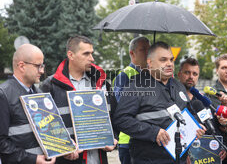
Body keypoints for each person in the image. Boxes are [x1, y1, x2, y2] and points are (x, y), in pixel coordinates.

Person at [113, 42, 206, 164]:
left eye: (171, 60)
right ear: (150, 62)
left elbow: (188, 113)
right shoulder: (136, 86)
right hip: (149, 159)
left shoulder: (178, 86)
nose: (169, 64)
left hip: (179, 158)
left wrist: (196, 126)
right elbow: (121, 120)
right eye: (163, 60)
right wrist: (153, 132)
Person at [40, 35, 117, 164]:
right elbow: (43, 124)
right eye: (86, 54)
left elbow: (115, 114)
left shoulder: (101, 83)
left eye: (92, 53)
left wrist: (113, 137)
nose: (91, 59)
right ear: (71, 55)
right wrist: (63, 149)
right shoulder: (51, 85)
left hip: (99, 158)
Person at [0, 44, 56, 164]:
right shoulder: (3, 95)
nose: (42, 71)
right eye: (38, 66)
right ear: (21, 66)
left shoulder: (40, 94)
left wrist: (65, 146)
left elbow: (48, 130)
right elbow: (1, 143)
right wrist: (33, 159)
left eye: (43, 66)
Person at [177, 57, 227, 161]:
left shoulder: (203, 101)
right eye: (187, 72)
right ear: (179, 74)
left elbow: (213, 127)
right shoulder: (171, 99)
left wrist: (221, 146)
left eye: (195, 74)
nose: (191, 77)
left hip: (205, 157)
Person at [112, 36, 150, 164]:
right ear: (132, 53)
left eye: (149, 49)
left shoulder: (153, 75)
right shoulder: (124, 75)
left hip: (149, 140)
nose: (147, 53)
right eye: (143, 49)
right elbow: (119, 107)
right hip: (128, 141)